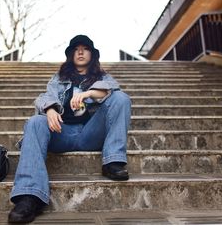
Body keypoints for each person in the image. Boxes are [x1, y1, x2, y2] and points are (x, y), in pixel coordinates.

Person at [8, 35, 131, 223]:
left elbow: (111, 90)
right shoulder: (59, 79)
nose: (80, 52)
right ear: (70, 54)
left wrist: (88, 93)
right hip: (62, 133)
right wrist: (49, 108)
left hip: (91, 133)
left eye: (85, 48)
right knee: (35, 122)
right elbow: (44, 97)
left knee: (121, 98)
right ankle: (29, 196)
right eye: (76, 49)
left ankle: (113, 162)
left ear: (92, 54)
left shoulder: (102, 77)